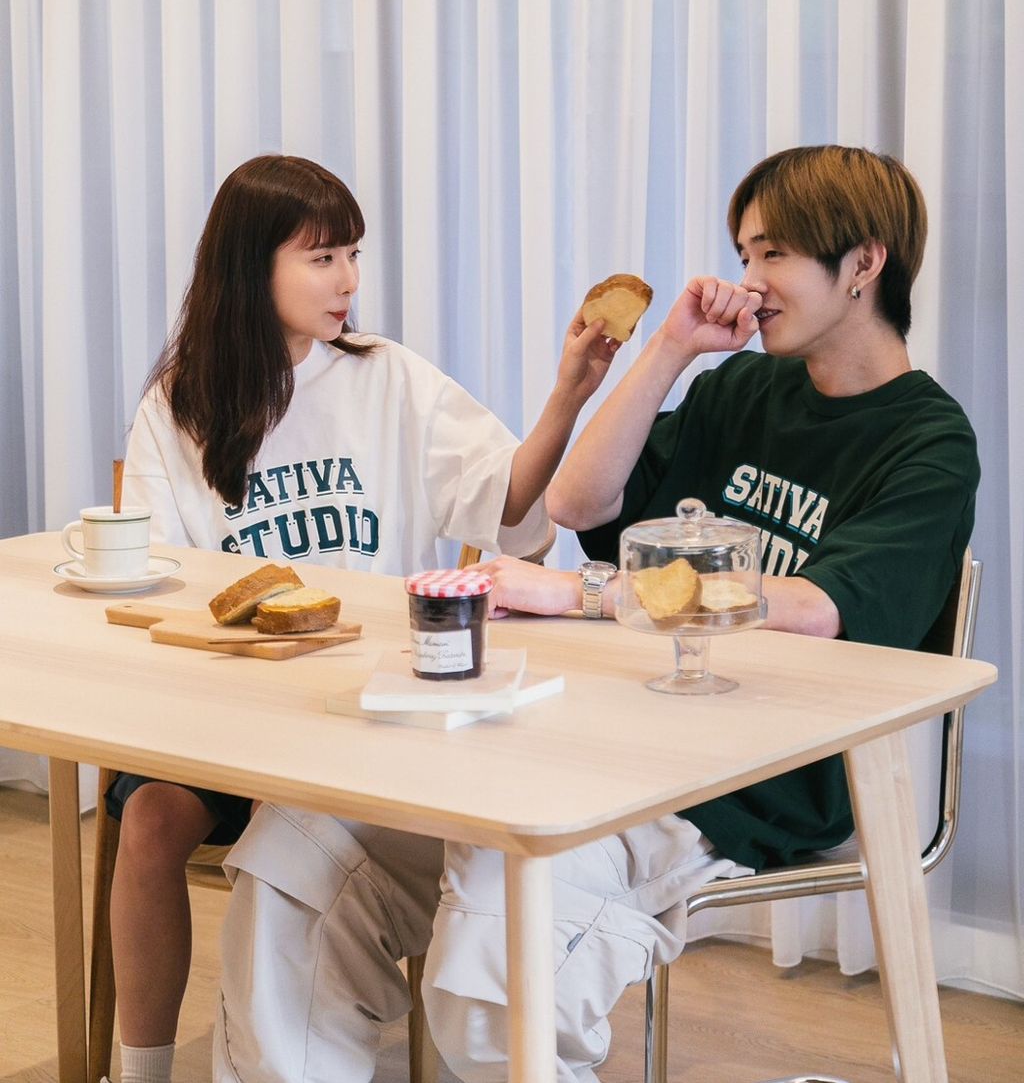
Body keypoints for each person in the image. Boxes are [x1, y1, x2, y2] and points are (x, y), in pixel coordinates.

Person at [213, 144, 978, 1083]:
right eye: (744, 254)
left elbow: (819, 606)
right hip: (594, 723)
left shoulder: (930, 442)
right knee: (300, 855)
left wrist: (587, 594)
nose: (749, 280)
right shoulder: (741, 388)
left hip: (735, 781)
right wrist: (669, 350)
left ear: (864, 263)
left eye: (773, 254)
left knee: (497, 978)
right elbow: (578, 502)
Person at [106, 153, 620, 1083]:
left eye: (352, 254)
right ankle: (135, 1073)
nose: (347, 279)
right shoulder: (178, 404)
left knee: (304, 832)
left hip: (369, 714)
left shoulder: (389, 378)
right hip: (223, 711)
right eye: (322, 258)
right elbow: (157, 579)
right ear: (250, 267)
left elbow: (509, 502)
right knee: (146, 820)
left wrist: (569, 394)